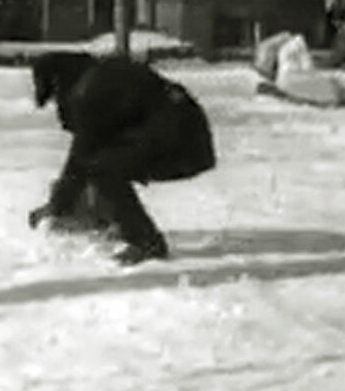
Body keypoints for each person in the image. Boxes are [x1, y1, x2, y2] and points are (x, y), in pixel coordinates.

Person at [28, 56, 217, 265]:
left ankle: (145, 242)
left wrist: (57, 206)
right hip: (188, 136)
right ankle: (113, 222)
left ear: (57, 82)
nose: (57, 103)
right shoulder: (105, 78)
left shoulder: (91, 92)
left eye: (54, 97)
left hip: (181, 143)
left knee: (102, 170)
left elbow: (81, 157)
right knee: (101, 163)